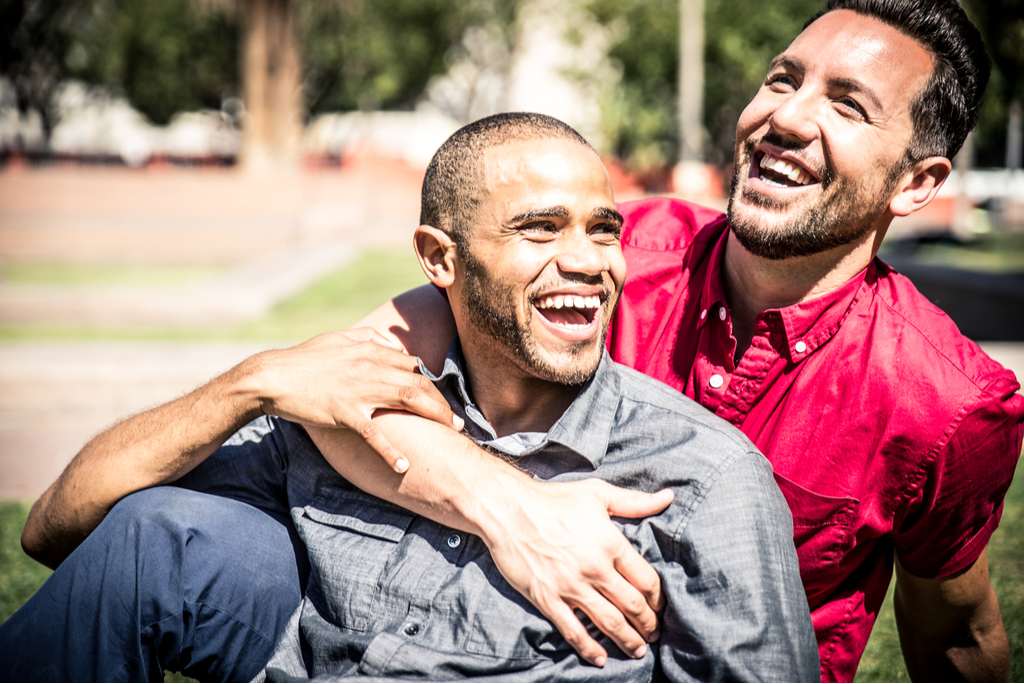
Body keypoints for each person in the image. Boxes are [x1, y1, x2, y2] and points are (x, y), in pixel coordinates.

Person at [8, 0, 1024, 681]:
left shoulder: (949, 399)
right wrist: (509, 506)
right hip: (457, 607)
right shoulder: (633, 247)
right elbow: (351, 386)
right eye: (781, 77)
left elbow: (960, 628)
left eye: (845, 105)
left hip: (661, 658)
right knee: (162, 540)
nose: (784, 118)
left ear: (918, 184)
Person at [1, 114, 819, 682]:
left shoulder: (700, 477)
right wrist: (251, 383)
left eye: (602, 228)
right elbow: (56, 529)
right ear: (440, 258)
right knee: (153, 531)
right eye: (541, 228)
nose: (589, 261)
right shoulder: (350, 414)